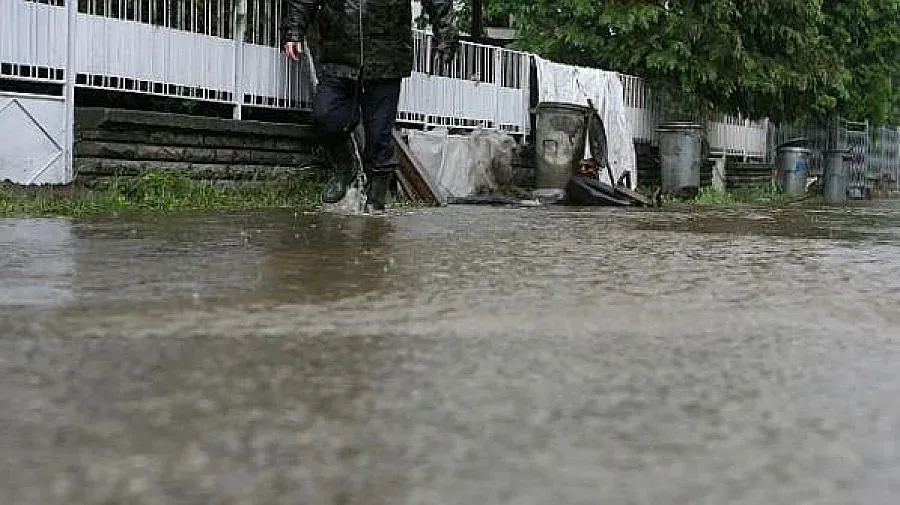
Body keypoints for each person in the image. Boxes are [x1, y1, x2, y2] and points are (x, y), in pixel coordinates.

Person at [282, 0, 458, 211]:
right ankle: (345, 166)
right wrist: (294, 30)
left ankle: (376, 200)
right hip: (339, 52)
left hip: (386, 56)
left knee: (379, 136)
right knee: (325, 116)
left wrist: (446, 35)